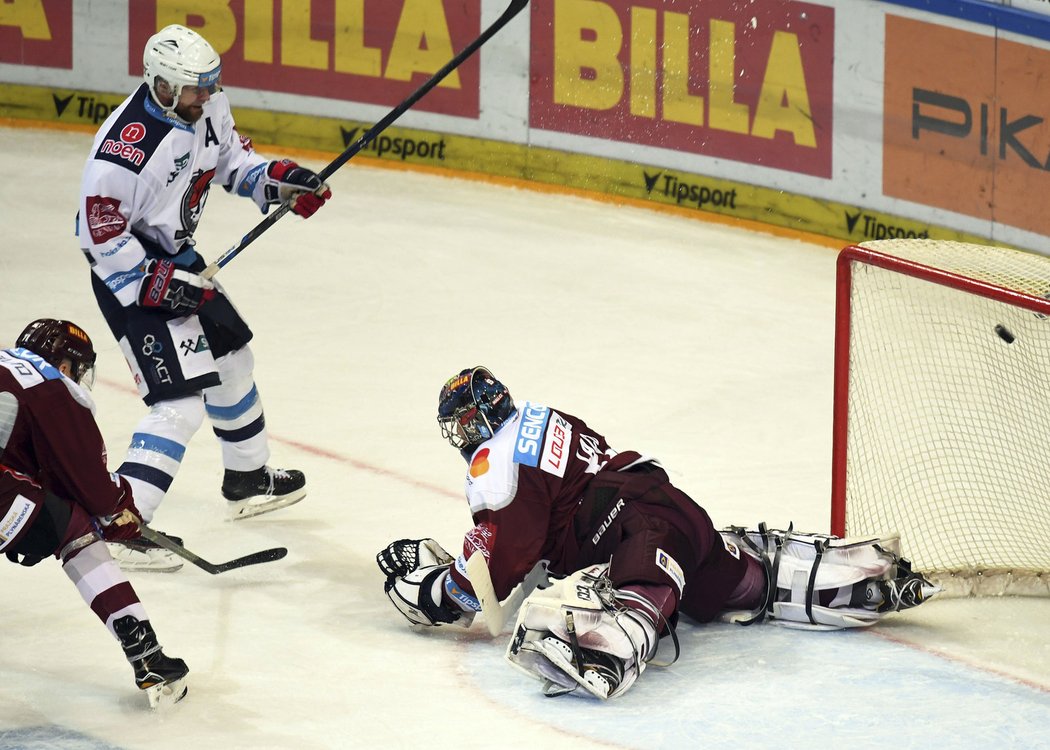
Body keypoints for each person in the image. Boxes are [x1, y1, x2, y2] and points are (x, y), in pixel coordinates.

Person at [377, 366, 941, 700]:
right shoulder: (539, 415)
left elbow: (507, 560)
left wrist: (443, 589)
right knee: (740, 582)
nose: (459, 434)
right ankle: (857, 576)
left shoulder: (493, 462)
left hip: (631, 529)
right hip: (672, 510)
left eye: (461, 422)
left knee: (641, 597)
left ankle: (607, 646)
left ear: (476, 419)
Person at [77, 24, 331, 571]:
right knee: (178, 405)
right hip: (131, 276)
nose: (208, 95)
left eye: (212, 85)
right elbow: (97, 236)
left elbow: (235, 165)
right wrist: (153, 283)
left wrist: (283, 182)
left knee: (235, 360)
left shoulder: (208, 108)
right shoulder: (121, 152)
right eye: (197, 88)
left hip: (179, 260)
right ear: (162, 85)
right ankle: (124, 524)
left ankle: (247, 476)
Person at [0, 319, 188, 707]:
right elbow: (89, 481)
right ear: (66, 365)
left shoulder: (8, 368)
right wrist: (118, 510)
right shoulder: (50, 384)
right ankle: (146, 655)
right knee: (74, 529)